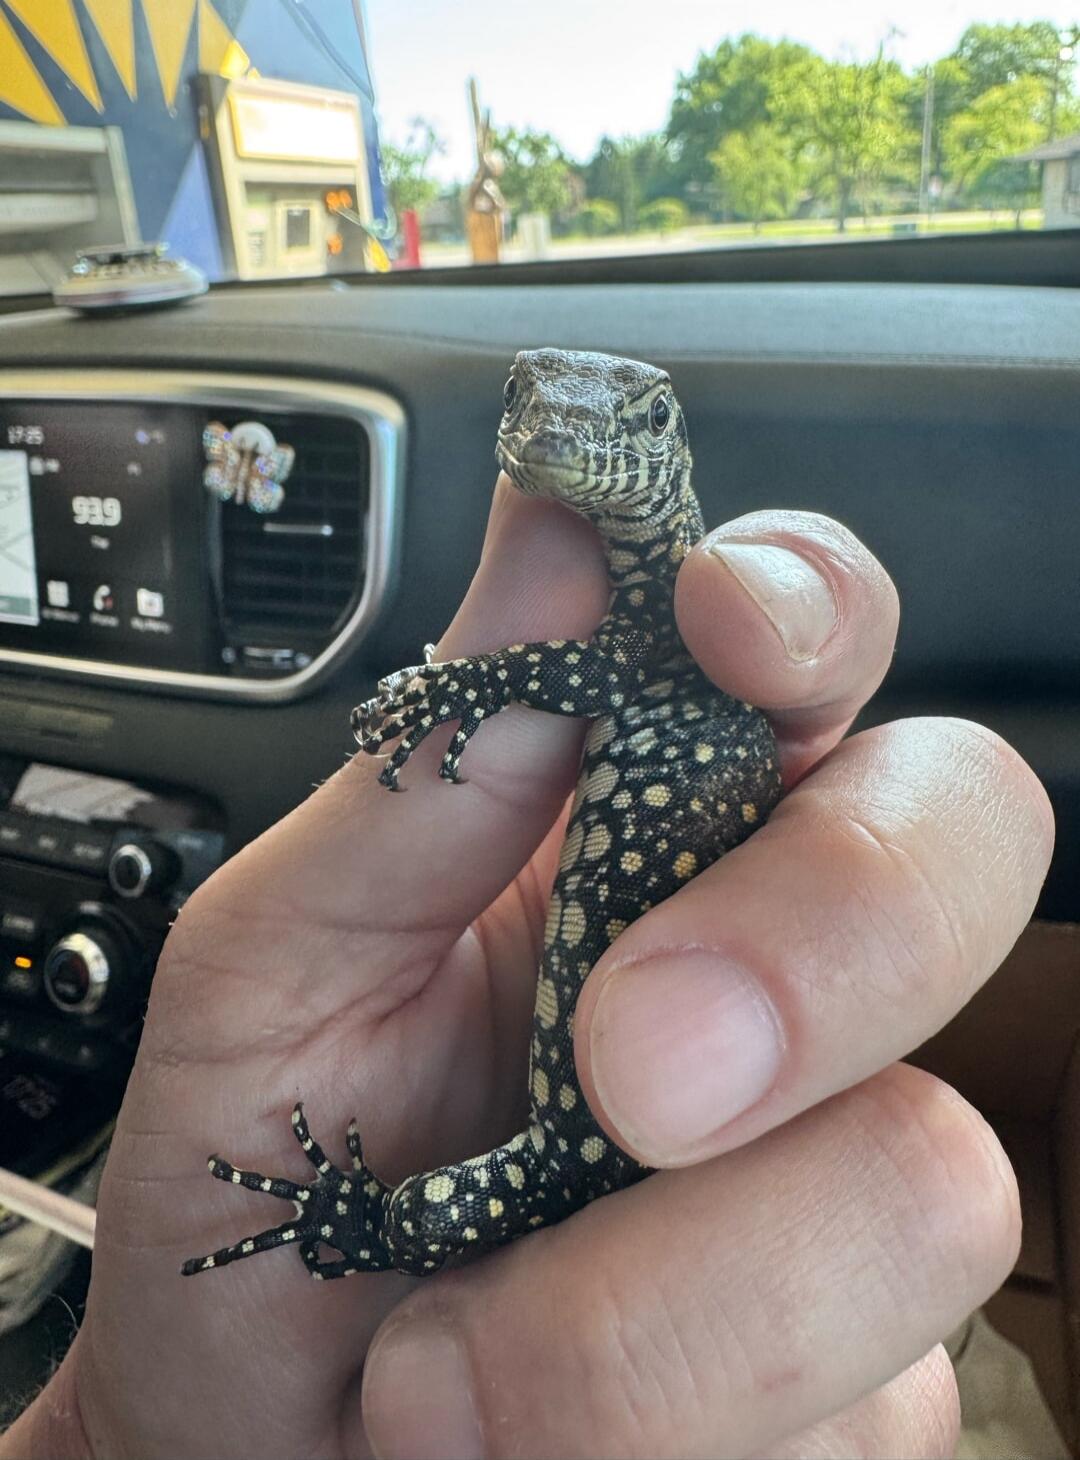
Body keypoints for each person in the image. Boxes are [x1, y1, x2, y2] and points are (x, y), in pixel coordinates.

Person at [0, 481, 1053, 1459]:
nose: (559, 423)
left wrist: (461, 682)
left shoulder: (679, 650)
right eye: (527, 402)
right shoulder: (661, 650)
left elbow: (553, 674)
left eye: (621, 414)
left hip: (584, 1155)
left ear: (665, 464)